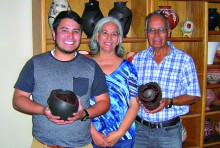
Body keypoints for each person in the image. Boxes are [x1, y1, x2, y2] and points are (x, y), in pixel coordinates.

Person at [12, 10, 110, 148]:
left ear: (81, 35)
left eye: (76, 31)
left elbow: (104, 102)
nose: (70, 36)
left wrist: (84, 113)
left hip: (81, 145)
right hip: (43, 144)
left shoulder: (91, 66)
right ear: (54, 34)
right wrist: (42, 110)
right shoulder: (35, 64)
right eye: (64, 30)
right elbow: (18, 99)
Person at [132, 12, 201, 148]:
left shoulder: (184, 60)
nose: (156, 34)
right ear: (146, 33)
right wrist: (137, 98)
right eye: (152, 30)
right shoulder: (137, 59)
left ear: (169, 32)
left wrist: (169, 101)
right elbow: (132, 90)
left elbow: (194, 96)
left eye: (161, 29)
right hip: (140, 130)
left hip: (169, 132)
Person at [89, 16, 140, 148]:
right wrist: (93, 132)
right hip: (91, 137)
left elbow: (134, 105)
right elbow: (78, 103)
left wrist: (119, 133)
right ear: (97, 36)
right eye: (105, 33)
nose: (109, 38)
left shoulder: (129, 68)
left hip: (124, 138)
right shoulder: (85, 67)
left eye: (114, 34)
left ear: (119, 39)